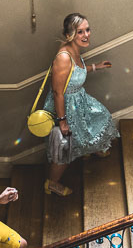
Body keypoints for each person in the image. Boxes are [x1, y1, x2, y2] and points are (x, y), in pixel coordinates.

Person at [42, 12, 119, 196]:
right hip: (66, 107)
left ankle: (93, 149)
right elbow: (58, 92)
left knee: (101, 118)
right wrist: (62, 120)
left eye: (87, 30)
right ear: (70, 35)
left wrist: (95, 67)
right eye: (80, 32)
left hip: (79, 101)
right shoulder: (63, 57)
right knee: (65, 149)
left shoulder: (75, 49)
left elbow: (75, 73)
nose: (86, 35)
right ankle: (52, 183)